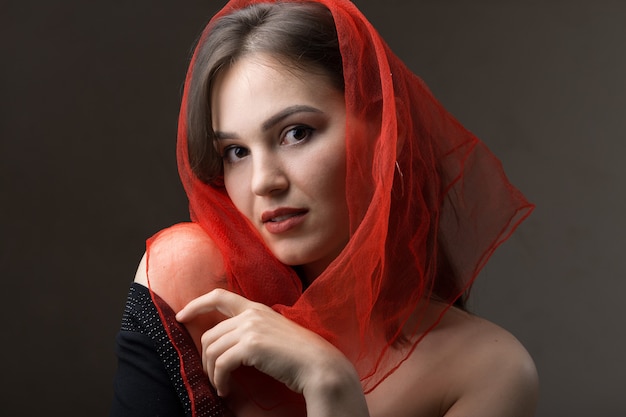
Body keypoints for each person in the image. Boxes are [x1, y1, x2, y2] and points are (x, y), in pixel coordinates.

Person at [110, 0, 538, 416]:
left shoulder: (487, 370)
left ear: (388, 131)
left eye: (297, 133)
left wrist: (331, 385)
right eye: (236, 152)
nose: (263, 182)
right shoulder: (191, 281)